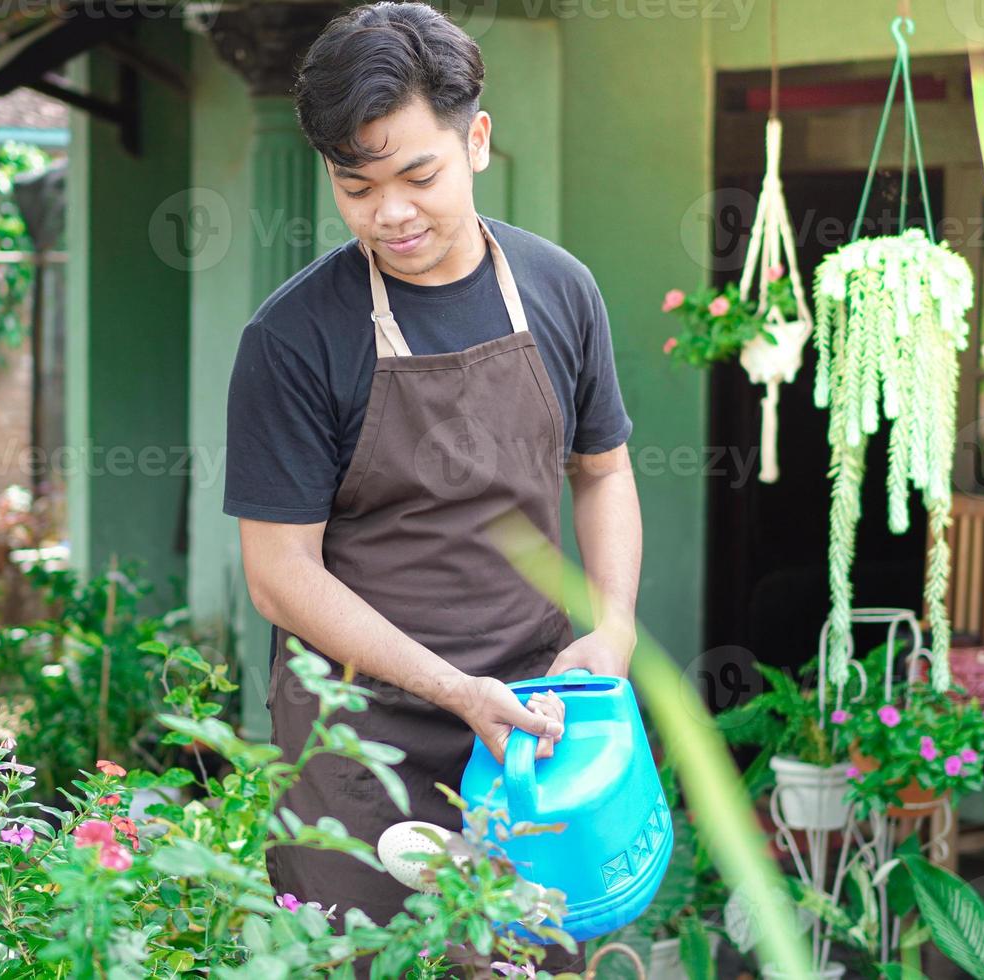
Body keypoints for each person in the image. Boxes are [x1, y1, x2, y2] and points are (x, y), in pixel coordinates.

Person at [224, 2, 642, 970]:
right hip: (359, 742)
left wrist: (611, 622)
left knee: (529, 956)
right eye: (355, 185)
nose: (390, 213)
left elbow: (605, 469)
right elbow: (278, 575)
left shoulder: (560, 289)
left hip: (532, 723)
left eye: (418, 174)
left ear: (476, 141)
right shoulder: (293, 339)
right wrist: (452, 688)